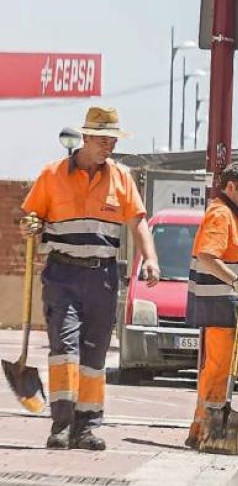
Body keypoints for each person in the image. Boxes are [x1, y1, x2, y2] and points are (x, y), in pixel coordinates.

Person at [19, 106, 161, 450]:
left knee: (94, 356)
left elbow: (138, 221)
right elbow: (29, 217)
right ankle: (62, 425)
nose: (108, 146)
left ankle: (85, 428)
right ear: (85, 138)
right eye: (102, 139)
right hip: (62, 274)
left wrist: (151, 259)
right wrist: (30, 226)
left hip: (103, 277)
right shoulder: (51, 175)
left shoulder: (121, 177)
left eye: (112, 139)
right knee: (64, 349)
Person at [184, 161, 238, 449]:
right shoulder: (221, 214)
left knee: (221, 369)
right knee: (216, 369)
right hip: (218, 307)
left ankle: (201, 429)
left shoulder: (233, 214)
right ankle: (207, 432)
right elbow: (207, 257)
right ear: (231, 187)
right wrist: (237, 283)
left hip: (225, 308)